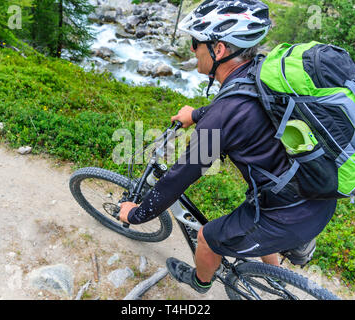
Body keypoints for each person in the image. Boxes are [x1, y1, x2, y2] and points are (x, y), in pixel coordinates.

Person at [119, 0, 337, 294]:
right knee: (255, 214)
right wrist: (195, 115)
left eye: (196, 43)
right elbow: (238, 109)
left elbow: (178, 179)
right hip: (318, 192)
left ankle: (200, 281)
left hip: (289, 214)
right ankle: (273, 273)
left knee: (209, 238)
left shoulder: (225, 114)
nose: (192, 50)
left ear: (218, 49)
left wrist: (136, 214)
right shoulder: (261, 72)